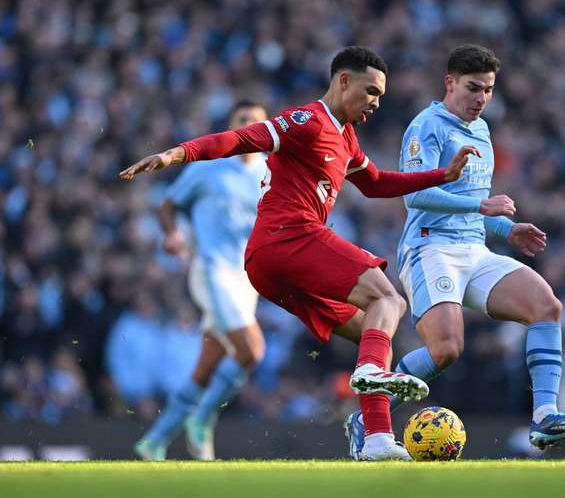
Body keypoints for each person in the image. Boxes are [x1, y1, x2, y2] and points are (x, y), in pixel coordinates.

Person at [120, 46, 475, 461]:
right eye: (371, 91)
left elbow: (376, 183)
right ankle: (365, 377)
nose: (376, 103)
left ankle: (376, 438)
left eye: (380, 96)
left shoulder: (345, 137)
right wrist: (176, 154)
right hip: (286, 237)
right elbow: (239, 139)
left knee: (373, 334)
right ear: (343, 81)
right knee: (389, 299)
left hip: (271, 265)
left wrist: (442, 175)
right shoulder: (307, 120)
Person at [344, 45, 565, 459]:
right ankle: (368, 414)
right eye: (473, 88)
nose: (481, 98)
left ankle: (545, 418)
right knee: (446, 349)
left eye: (489, 90)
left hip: (473, 251)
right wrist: (483, 207)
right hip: (429, 248)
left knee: (546, 305)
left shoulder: (481, 131)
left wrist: (506, 227)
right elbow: (416, 197)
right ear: (450, 83)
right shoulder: (427, 126)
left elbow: (476, 208)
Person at [134, 101, 269, 461]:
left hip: (246, 279)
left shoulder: (270, 171)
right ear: (231, 127)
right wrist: (173, 234)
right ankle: (203, 416)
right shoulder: (209, 168)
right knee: (253, 350)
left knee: (208, 365)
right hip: (212, 271)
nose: (250, 127)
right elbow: (168, 203)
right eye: (243, 121)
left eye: (257, 122)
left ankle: (154, 441)